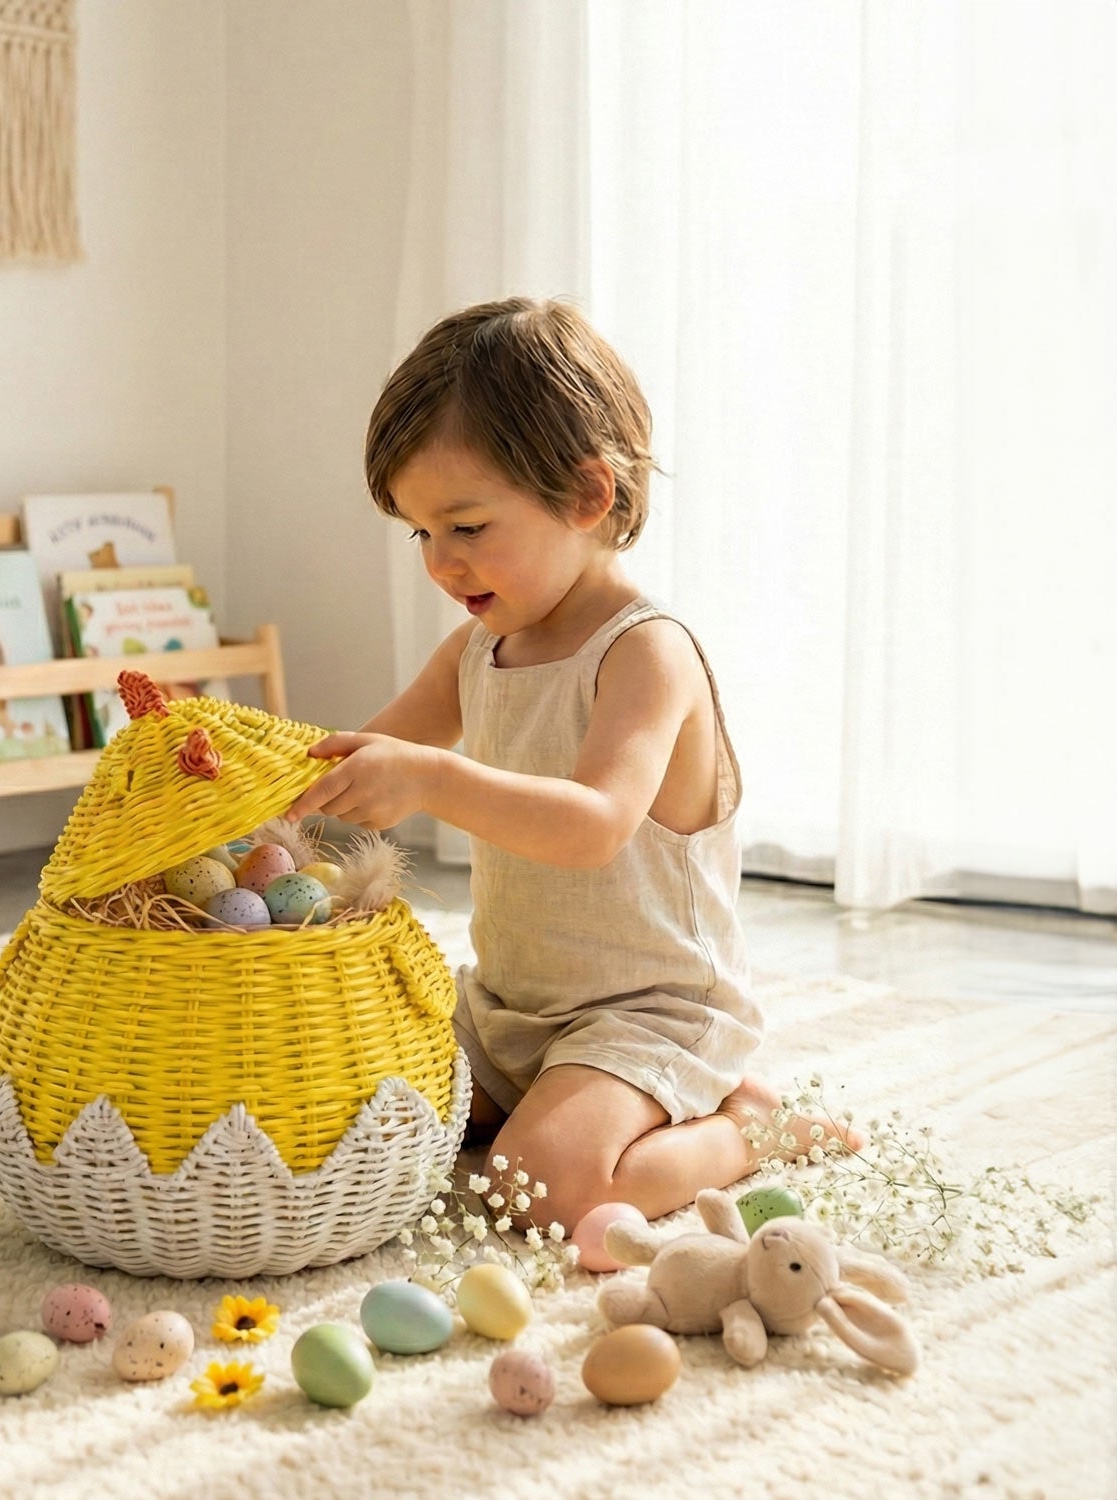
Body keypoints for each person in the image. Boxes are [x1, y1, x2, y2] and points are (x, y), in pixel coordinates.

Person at [288, 296, 852, 1231]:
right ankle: (558, 1099)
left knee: (535, 1189)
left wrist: (431, 780)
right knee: (357, 1114)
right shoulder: (479, 649)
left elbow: (593, 825)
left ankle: (752, 1125)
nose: (439, 563)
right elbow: (356, 758)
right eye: (420, 532)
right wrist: (253, 791)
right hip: (510, 1007)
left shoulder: (646, 653)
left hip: (651, 1011)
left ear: (589, 497)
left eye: (467, 527)